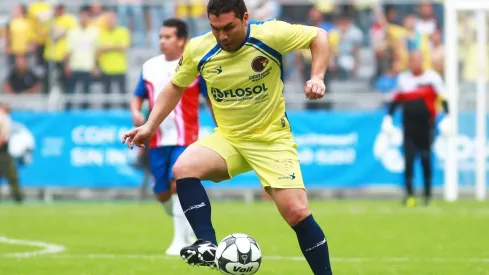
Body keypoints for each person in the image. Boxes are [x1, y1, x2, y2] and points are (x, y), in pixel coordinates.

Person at [122, 0, 332, 273]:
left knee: (296, 213)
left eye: (229, 27)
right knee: (184, 168)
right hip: (229, 138)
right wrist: (150, 125)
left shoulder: (270, 34)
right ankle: (206, 244)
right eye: (215, 28)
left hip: (271, 140)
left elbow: (320, 36)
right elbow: (175, 86)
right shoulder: (199, 48)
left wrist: (317, 76)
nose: (222, 36)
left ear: (245, 18)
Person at [130, 18, 212, 256]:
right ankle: (186, 226)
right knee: (162, 193)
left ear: (181, 40)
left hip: (185, 137)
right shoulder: (150, 66)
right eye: (161, 37)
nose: (162, 41)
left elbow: (209, 98)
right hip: (157, 140)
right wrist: (136, 112)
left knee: (179, 184)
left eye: (168, 37)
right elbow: (138, 95)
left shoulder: (194, 65)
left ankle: (179, 241)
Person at [381, 51, 451, 207]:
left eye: (417, 60)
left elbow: (443, 97)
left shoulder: (432, 78)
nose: (414, 63)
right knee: (409, 160)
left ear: (422, 61)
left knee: (426, 159)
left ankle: (427, 195)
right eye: (412, 60)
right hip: (408, 126)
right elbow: (396, 100)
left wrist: (447, 117)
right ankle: (410, 195)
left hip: (426, 126)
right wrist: (388, 118)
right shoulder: (403, 79)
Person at [0, 103, 23, 204]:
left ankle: (17, 196)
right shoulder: (3, 117)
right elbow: (3, 135)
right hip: (2, 151)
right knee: (12, 175)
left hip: (3, 150)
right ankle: (17, 197)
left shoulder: (4, 117)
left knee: (11, 174)